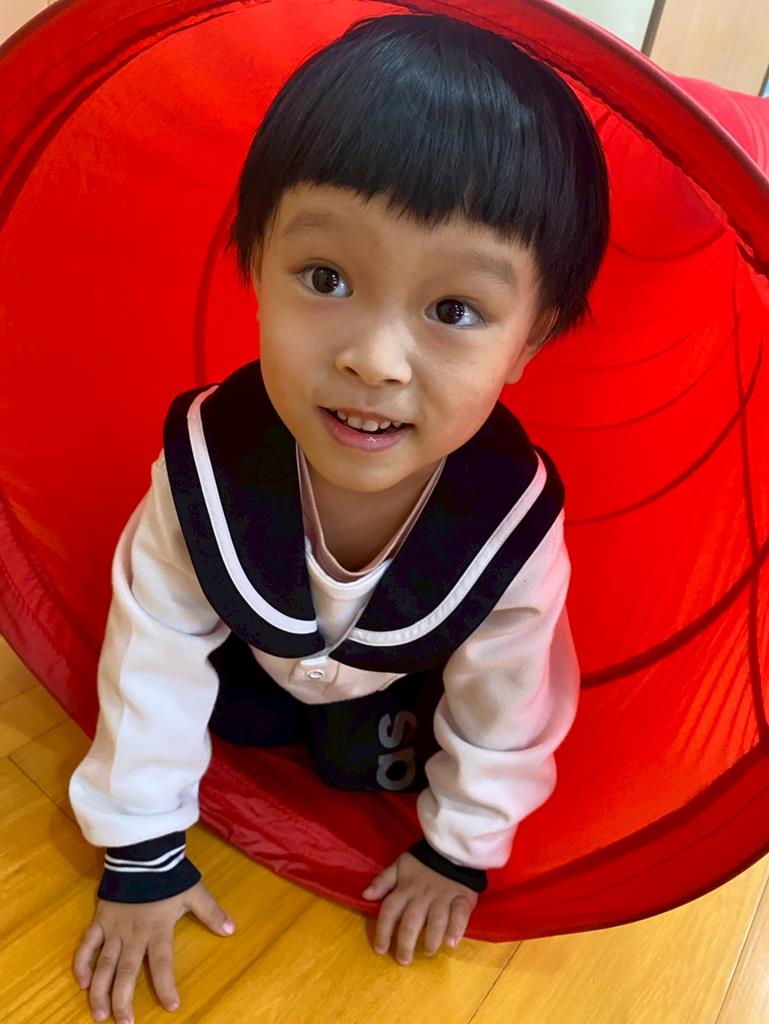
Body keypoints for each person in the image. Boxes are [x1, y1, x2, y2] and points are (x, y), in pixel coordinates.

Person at [69, 10, 610, 1023]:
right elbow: (155, 645)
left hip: (392, 689)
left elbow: (507, 702)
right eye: (325, 279)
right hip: (255, 662)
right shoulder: (210, 462)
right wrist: (140, 851)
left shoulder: (509, 521)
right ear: (252, 266)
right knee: (227, 709)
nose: (374, 359)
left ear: (529, 341)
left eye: (453, 311)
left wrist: (459, 849)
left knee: (369, 765)